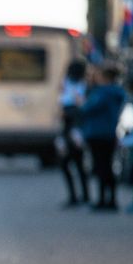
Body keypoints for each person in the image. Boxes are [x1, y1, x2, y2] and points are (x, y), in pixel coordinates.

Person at [80, 62, 126, 211]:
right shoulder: (118, 92)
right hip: (110, 133)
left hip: (97, 133)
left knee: (101, 167)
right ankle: (111, 199)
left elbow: (87, 108)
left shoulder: (102, 93)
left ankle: (103, 200)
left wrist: (80, 103)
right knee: (108, 166)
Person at [56, 59, 89, 207]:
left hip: (72, 124)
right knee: (78, 163)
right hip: (75, 125)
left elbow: (65, 101)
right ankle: (82, 195)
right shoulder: (83, 84)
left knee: (69, 163)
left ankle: (76, 196)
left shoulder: (79, 84)